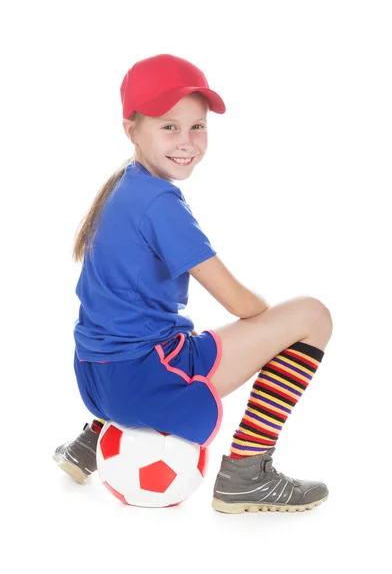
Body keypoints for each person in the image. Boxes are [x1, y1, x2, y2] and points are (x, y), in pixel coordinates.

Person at [53, 53, 333, 514]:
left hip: (94, 377)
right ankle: (248, 472)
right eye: (169, 127)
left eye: (197, 127)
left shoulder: (123, 186)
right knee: (311, 316)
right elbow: (238, 302)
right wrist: (265, 317)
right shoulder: (160, 202)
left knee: (169, 326)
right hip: (142, 380)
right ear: (131, 129)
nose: (187, 142)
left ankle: (94, 440)